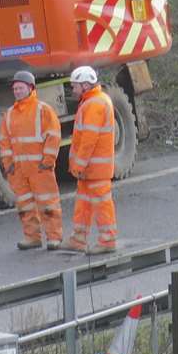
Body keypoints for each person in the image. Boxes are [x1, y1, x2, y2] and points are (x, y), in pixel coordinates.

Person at [0, 70, 62, 250]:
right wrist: (8, 164)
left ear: (30, 88)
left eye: (20, 88)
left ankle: (54, 237)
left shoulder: (43, 110)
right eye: (15, 88)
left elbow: (53, 136)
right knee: (25, 206)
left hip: (39, 167)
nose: (17, 91)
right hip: (18, 169)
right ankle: (32, 237)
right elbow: (4, 142)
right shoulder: (9, 114)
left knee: (48, 204)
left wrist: (48, 160)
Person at [65, 65, 118, 253]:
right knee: (84, 202)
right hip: (91, 168)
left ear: (86, 85)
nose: (73, 89)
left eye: (75, 86)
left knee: (101, 203)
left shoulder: (94, 104)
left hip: (95, 168)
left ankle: (107, 240)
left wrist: (78, 164)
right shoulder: (91, 101)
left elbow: (88, 139)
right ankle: (79, 238)